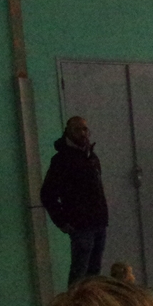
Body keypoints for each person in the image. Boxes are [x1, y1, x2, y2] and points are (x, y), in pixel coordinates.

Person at [40, 116, 109, 281]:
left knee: (94, 274)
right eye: (78, 129)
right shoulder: (61, 160)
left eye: (85, 129)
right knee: (79, 273)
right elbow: (47, 194)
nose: (83, 133)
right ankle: (75, 299)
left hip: (99, 222)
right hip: (80, 225)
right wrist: (62, 221)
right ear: (68, 132)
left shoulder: (91, 156)